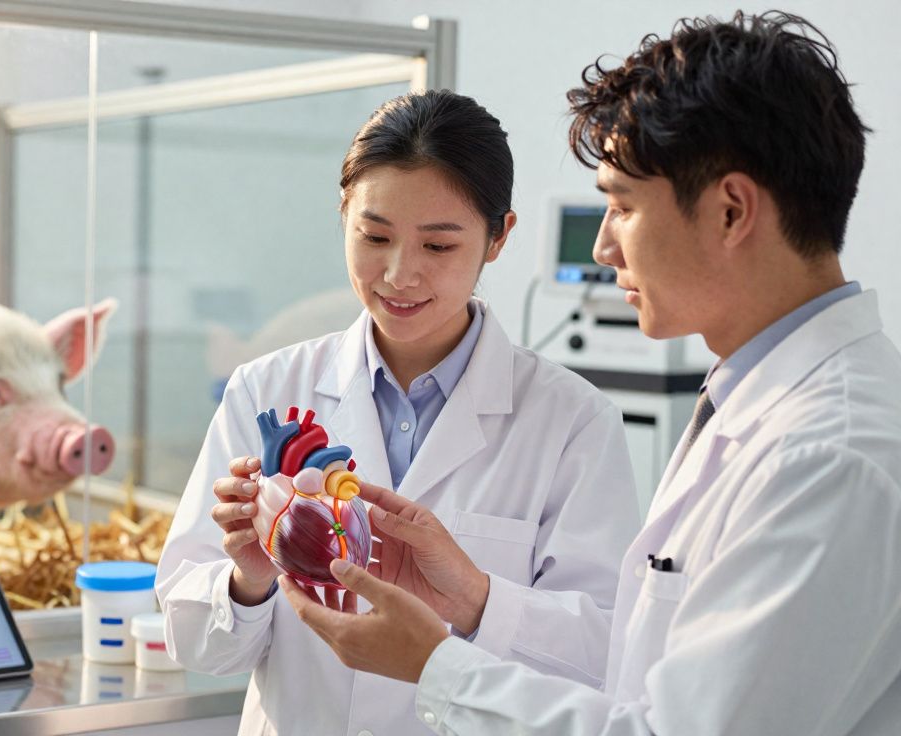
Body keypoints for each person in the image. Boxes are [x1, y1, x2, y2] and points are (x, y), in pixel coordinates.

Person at [283, 12, 901, 735]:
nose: (603, 247)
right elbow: (643, 674)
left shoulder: (828, 457)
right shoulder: (755, 406)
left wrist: (435, 669)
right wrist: (479, 603)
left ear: (731, 210)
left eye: (622, 205)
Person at [155, 90, 641, 735]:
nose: (399, 274)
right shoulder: (265, 389)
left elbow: (606, 654)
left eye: (438, 247)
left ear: (498, 238)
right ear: (343, 218)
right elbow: (197, 647)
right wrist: (246, 582)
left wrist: (476, 598)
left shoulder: (572, 421)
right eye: (374, 236)